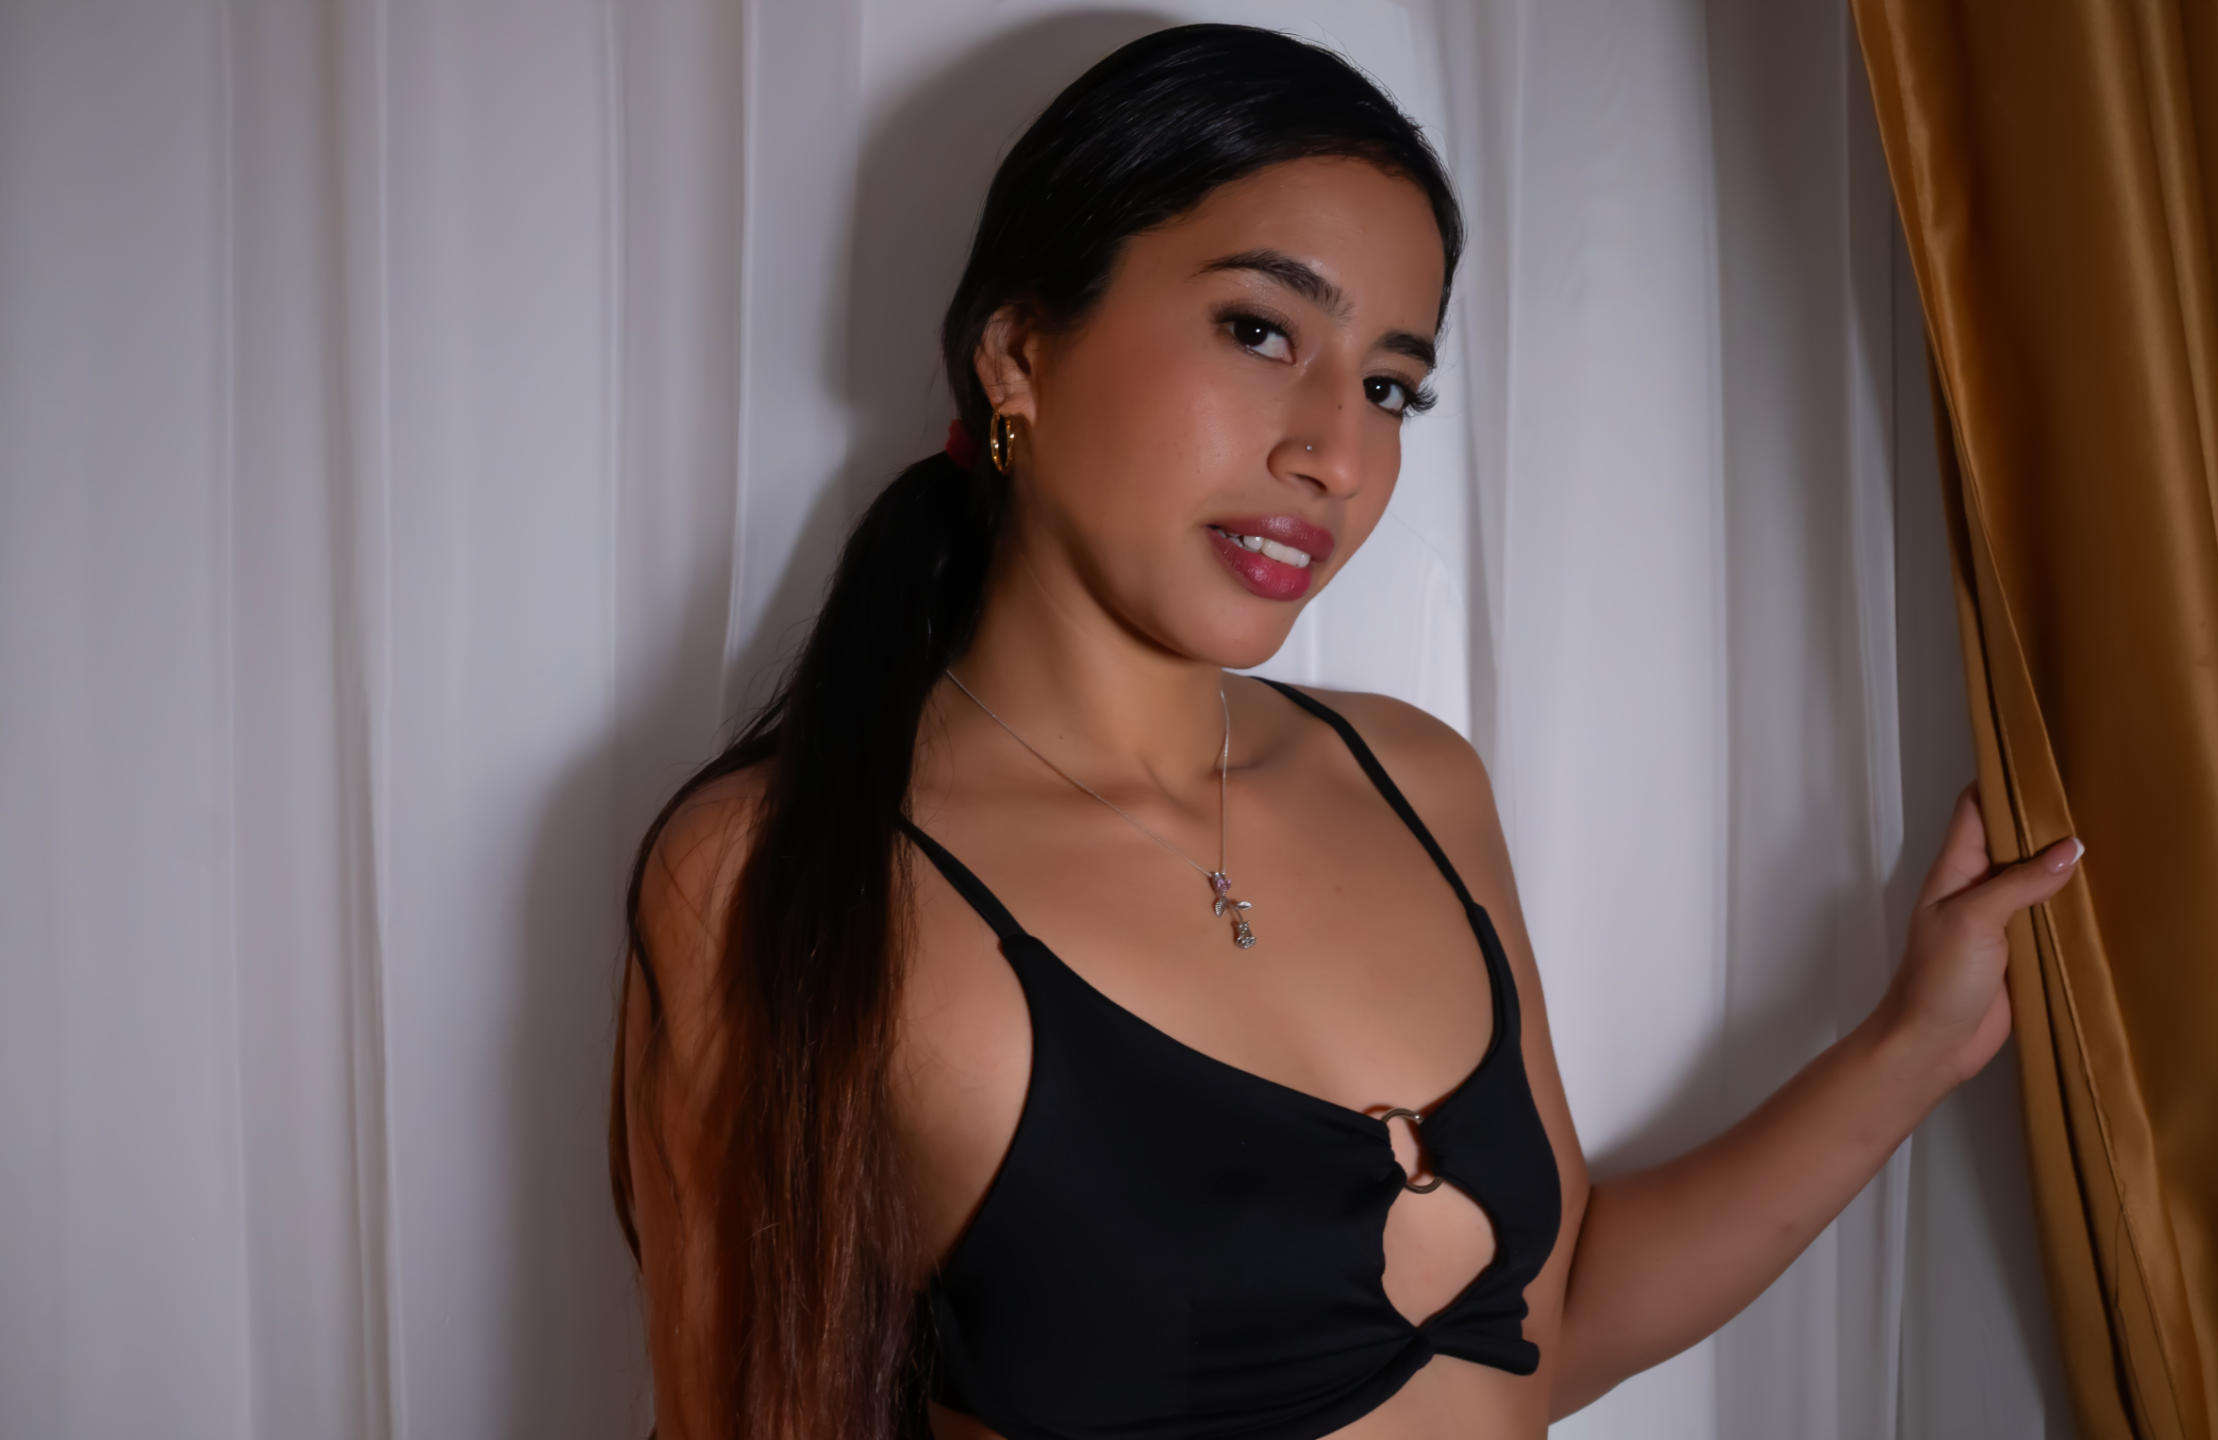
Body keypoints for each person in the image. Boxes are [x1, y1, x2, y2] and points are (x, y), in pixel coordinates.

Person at [608, 22, 2083, 1440]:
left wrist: (1917, 1044)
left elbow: (1546, 1329)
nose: (1337, 453)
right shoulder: (772, 869)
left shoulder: (1416, 781)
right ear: (1017, 350)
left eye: (1389, 386)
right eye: (1261, 331)